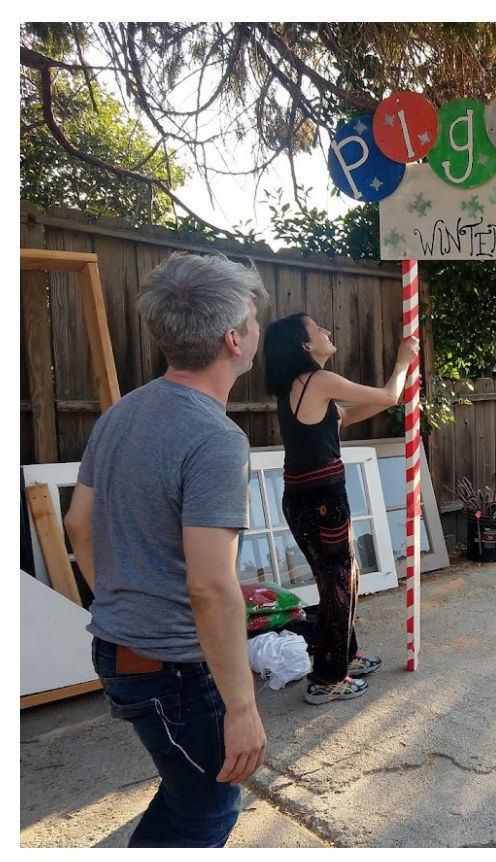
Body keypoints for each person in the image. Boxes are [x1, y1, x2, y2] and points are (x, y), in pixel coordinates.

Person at [62, 253, 268, 846]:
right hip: (173, 672)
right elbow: (211, 585)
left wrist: (124, 609)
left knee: (187, 796)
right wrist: (242, 707)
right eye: (253, 322)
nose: (256, 332)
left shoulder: (120, 414)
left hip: (123, 653)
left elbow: (78, 524)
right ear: (234, 339)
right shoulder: (215, 437)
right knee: (209, 811)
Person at [261, 312, 417, 704]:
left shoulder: (300, 388)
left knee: (342, 580)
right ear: (304, 345)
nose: (327, 331)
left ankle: (342, 654)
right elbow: (387, 396)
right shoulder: (318, 380)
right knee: (339, 584)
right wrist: (402, 362)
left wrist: (386, 398)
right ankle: (327, 678)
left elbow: (344, 417)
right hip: (321, 500)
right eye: (318, 329)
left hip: (304, 499)